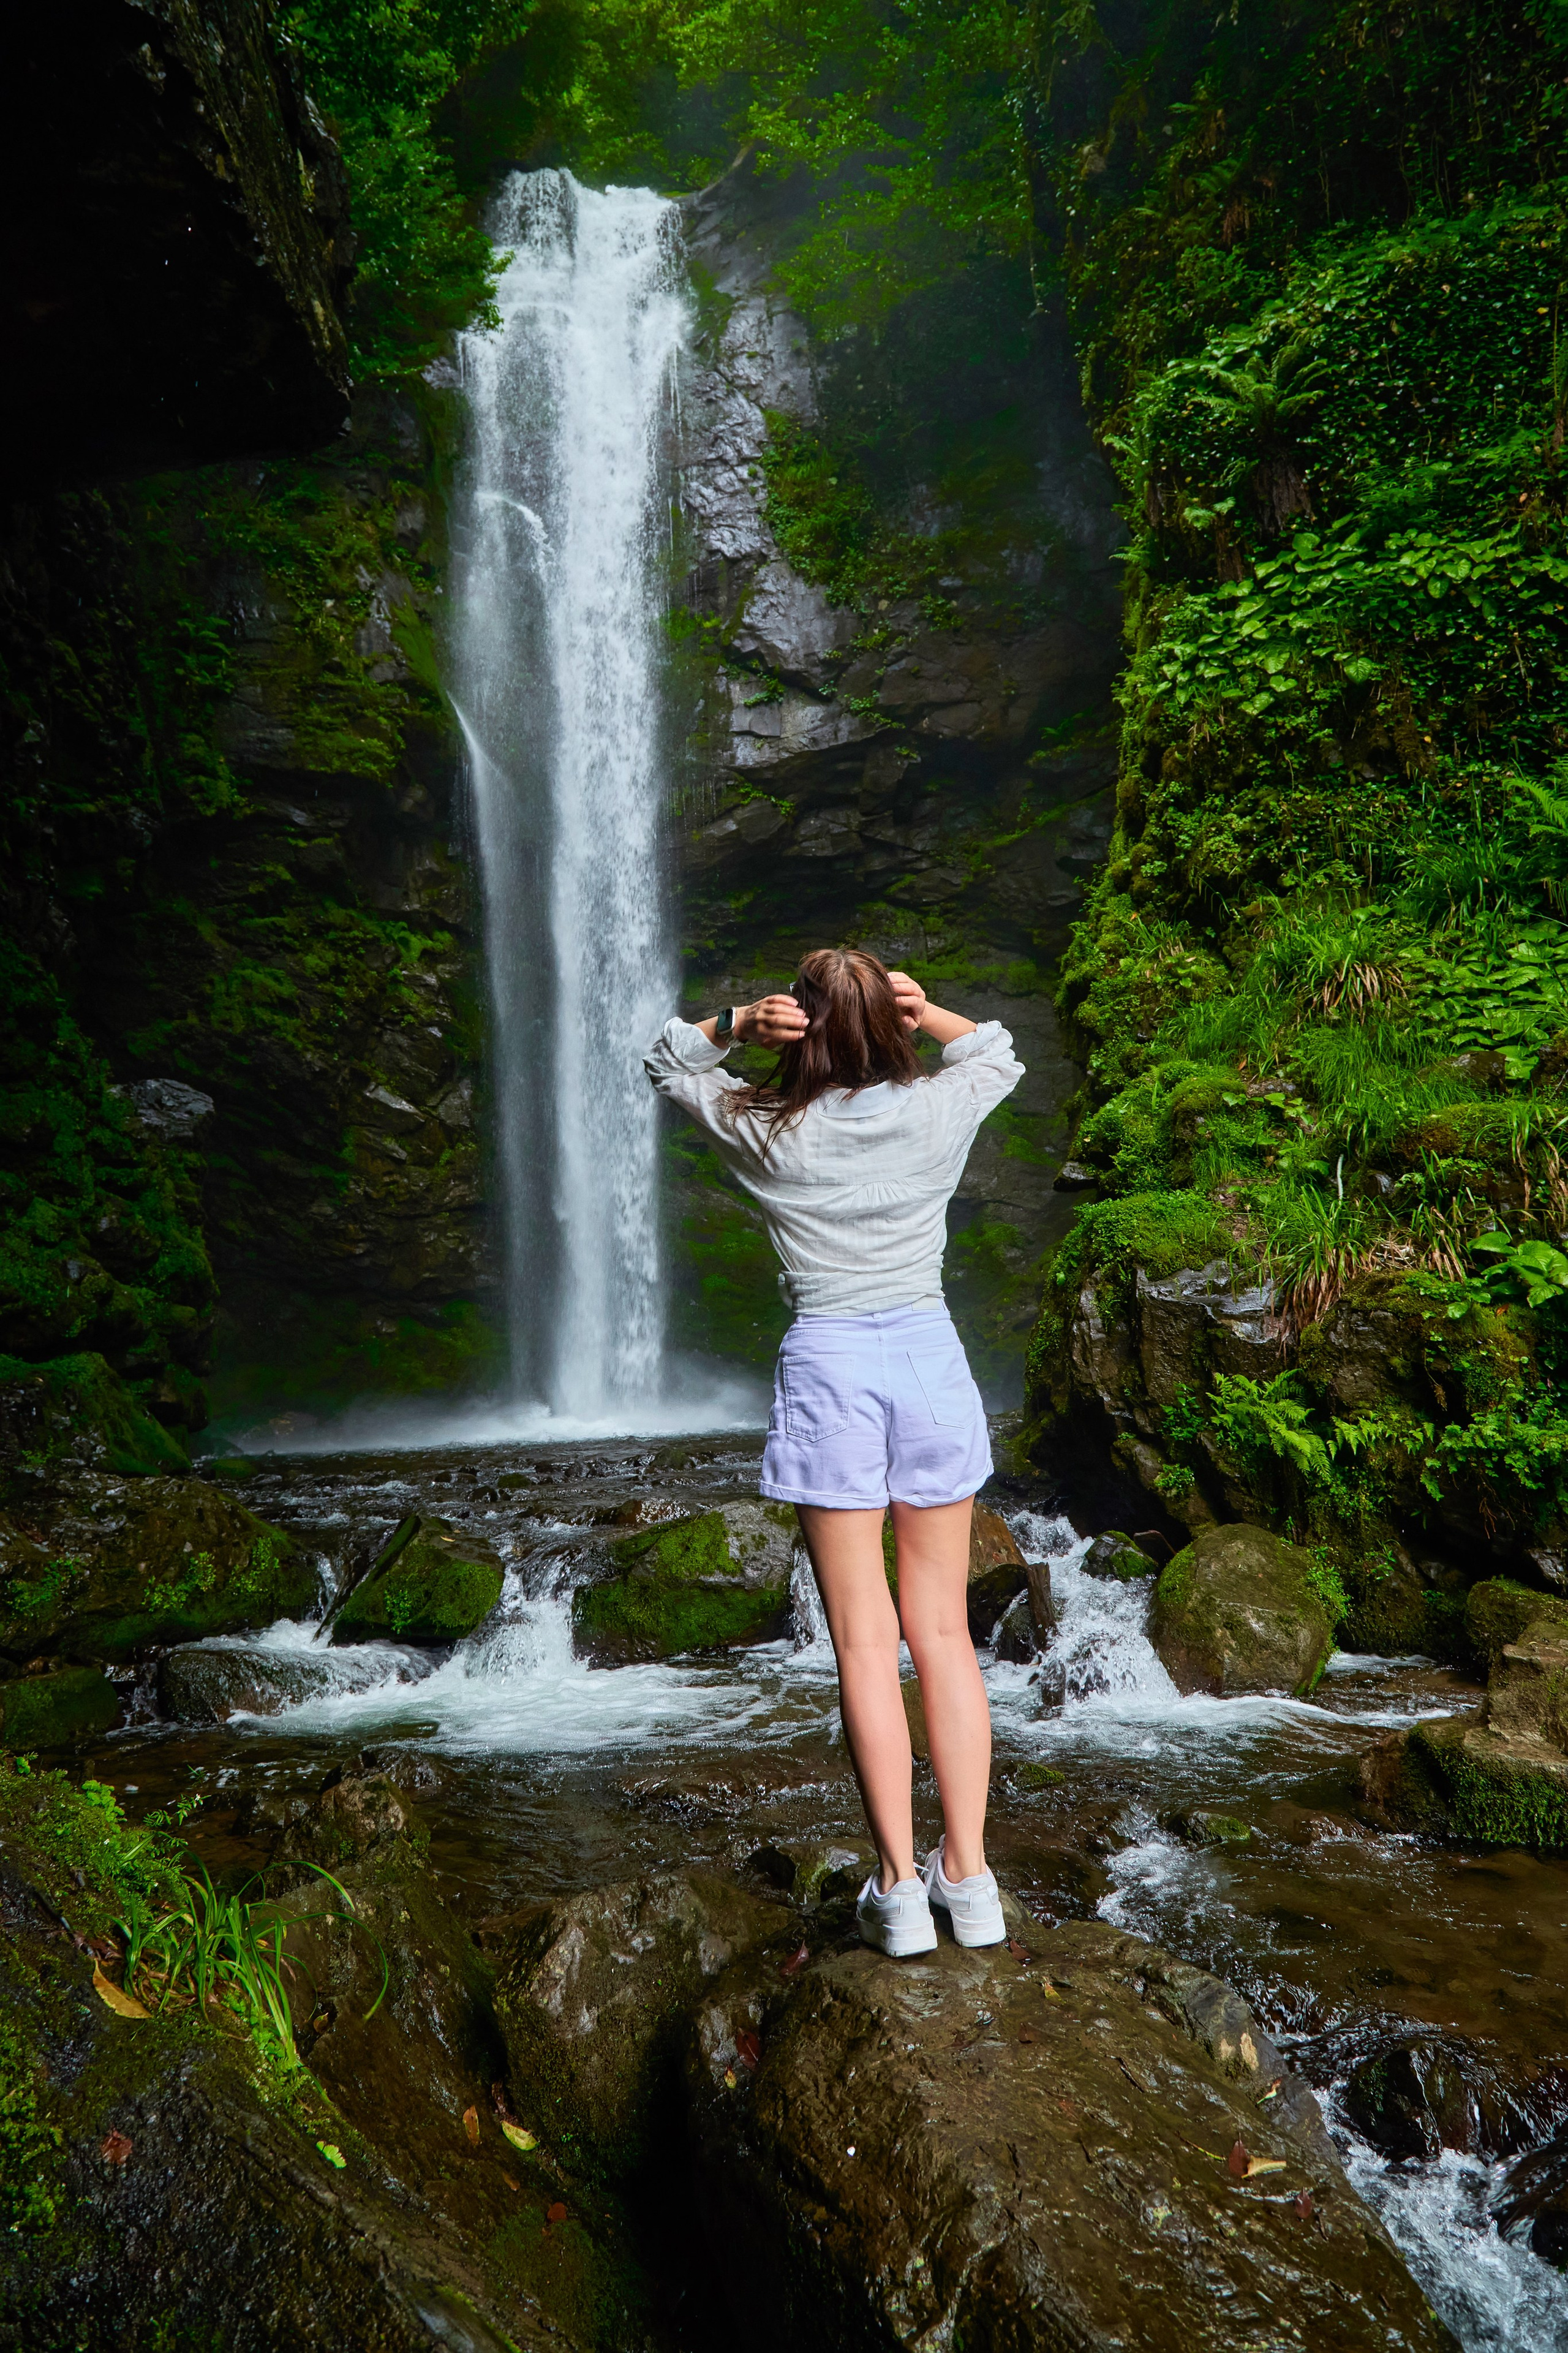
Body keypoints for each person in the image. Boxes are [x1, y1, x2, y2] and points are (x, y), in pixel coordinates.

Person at [644, 948, 1024, 1958]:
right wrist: (925, 1008)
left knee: (865, 1641)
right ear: (891, 1027)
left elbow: (666, 1063)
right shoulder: (939, 1111)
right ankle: (971, 1878)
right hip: (929, 1362)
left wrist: (733, 1023)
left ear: (796, 1028)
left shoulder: (769, 1131)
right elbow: (998, 1053)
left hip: (831, 1370)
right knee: (942, 1633)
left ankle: (900, 1892)